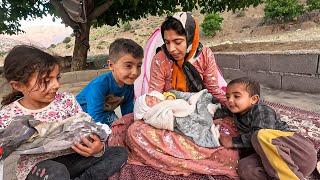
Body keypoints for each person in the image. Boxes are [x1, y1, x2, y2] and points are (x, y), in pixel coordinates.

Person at [109, 12, 239, 179]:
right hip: (170, 114)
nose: (171, 49)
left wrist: (233, 107)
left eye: (178, 42)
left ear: (191, 38)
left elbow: (213, 90)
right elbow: (155, 96)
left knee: (231, 129)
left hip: (202, 112)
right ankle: (203, 157)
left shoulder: (204, 55)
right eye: (167, 42)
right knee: (134, 132)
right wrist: (165, 108)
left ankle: (174, 156)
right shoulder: (160, 59)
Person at [0, 45, 128, 180]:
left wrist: (98, 148)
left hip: (74, 157)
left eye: (57, 78)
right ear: (18, 85)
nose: (56, 85)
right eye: (46, 81)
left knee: (119, 153)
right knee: (57, 172)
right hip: (39, 166)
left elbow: (86, 128)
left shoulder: (66, 100)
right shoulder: (9, 115)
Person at [219, 77, 317, 180]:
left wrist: (233, 141)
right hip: (283, 164)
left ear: (254, 99)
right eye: (228, 96)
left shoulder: (261, 110)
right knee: (245, 168)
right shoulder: (236, 113)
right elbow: (218, 108)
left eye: (236, 96)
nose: (230, 100)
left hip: (300, 154)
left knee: (260, 135)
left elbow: (262, 135)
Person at [76, 38, 143, 126]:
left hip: (104, 114)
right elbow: (94, 117)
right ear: (111, 65)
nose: (135, 72)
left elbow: (128, 114)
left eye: (139, 66)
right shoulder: (99, 85)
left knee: (124, 128)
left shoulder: (129, 86)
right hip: (80, 115)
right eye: (128, 66)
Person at [134, 90, 221, 148]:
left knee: (197, 100)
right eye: (149, 102)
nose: (153, 99)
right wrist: (171, 113)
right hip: (177, 118)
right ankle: (210, 133)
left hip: (185, 106)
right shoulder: (153, 114)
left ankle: (208, 109)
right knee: (189, 124)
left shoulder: (163, 96)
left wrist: (170, 98)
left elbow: (171, 94)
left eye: (150, 96)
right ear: (147, 109)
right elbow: (164, 121)